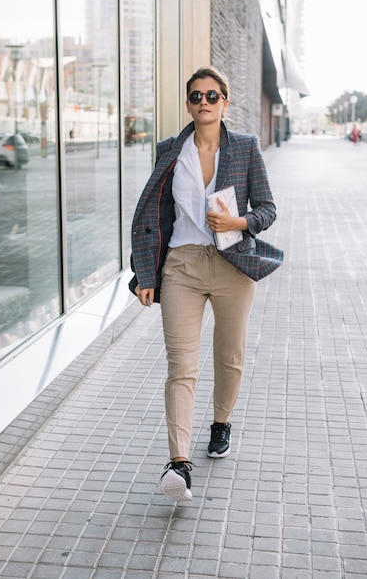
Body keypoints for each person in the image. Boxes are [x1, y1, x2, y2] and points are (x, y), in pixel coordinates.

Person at [129, 66, 283, 503]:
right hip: (182, 265)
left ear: (225, 102)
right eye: (195, 96)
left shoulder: (246, 148)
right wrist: (145, 273)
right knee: (182, 365)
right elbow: (153, 215)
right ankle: (178, 464)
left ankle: (221, 422)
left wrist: (239, 221)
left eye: (212, 96)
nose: (203, 103)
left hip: (233, 264)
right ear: (187, 103)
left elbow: (268, 208)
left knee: (228, 355)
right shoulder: (169, 151)